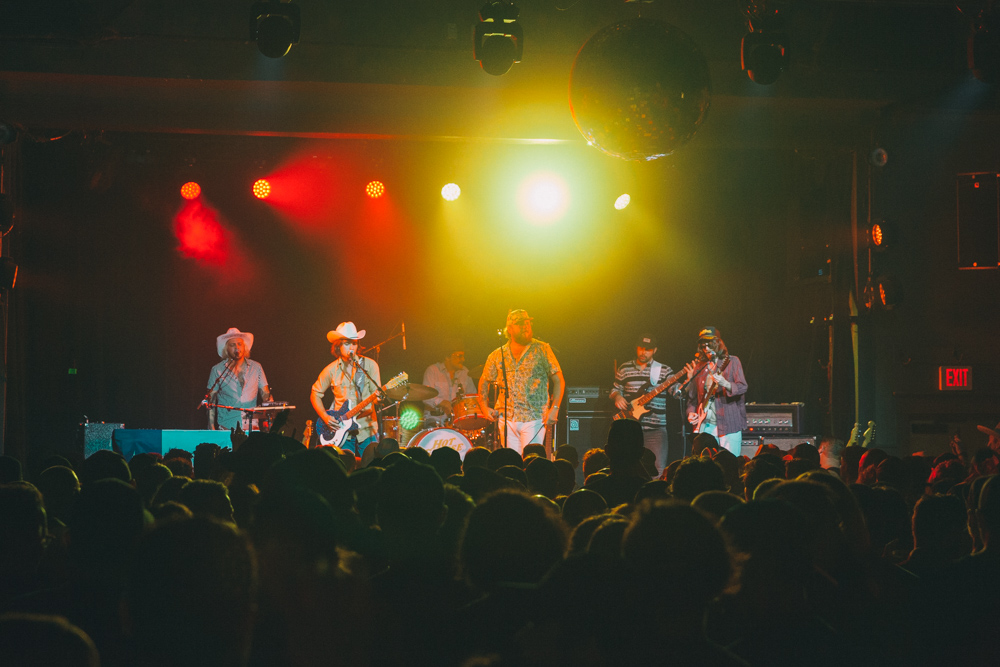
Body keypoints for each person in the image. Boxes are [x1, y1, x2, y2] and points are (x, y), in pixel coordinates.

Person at [477, 309, 565, 455]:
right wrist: (484, 406)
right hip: (506, 419)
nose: (526, 326)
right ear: (509, 329)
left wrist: (555, 408)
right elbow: (484, 381)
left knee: (531, 460)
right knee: (512, 463)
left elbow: (559, 380)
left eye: (527, 323)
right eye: (520, 324)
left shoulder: (542, 349)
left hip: (534, 418)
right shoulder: (498, 354)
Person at [310, 321, 382, 456]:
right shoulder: (331, 370)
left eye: (354, 343)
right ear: (338, 346)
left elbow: (376, 397)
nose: (352, 348)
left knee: (370, 467)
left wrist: (379, 398)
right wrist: (325, 417)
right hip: (341, 431)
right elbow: (315, 393)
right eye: (347, 343)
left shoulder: (369, 365)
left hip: (367, 429)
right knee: (344, 469)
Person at [610, 334, 676, 476]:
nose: (643, 352)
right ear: (636, 348)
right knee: (627, 468)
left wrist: (687, 382)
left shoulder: (664, 370)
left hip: (655, 429)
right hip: (629, 429)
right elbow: (615, 389)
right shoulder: (624, 368)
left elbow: (677, 392)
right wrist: (617, 396)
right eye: (641, 348)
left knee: (657, 469)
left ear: (655, 350)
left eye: (648, 349)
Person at [682, 326, 747, 457]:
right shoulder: (700, 367)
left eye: (710, 344)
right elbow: (692, 399)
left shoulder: (732, 361)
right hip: (706, 424)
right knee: (706, 462)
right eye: (703, 345)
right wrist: (691, 413)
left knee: (730, 462)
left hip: (729, 423)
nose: (707, 348)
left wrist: (726, 383)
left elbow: (742, 387)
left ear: (718, 343)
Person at [206, 328, 271, 431]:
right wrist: (211, 426)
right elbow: (211, 401)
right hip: (227, 427)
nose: (237, 347)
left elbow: (265, 393)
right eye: (232, 345)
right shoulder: (217, 370)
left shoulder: (256, 367)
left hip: (251, 427)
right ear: (226, 349)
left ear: (244, 346)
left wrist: (268, 403)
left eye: (239, 344)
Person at [422, 341, 476, 418]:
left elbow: (472, 396)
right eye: (459, 356)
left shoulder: (465, 372)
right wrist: (442, 402)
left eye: (463, 356)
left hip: (458, 420)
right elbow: (426, 397)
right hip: (435, 420)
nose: (463, 359)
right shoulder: (433, 371)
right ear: (447, 357)